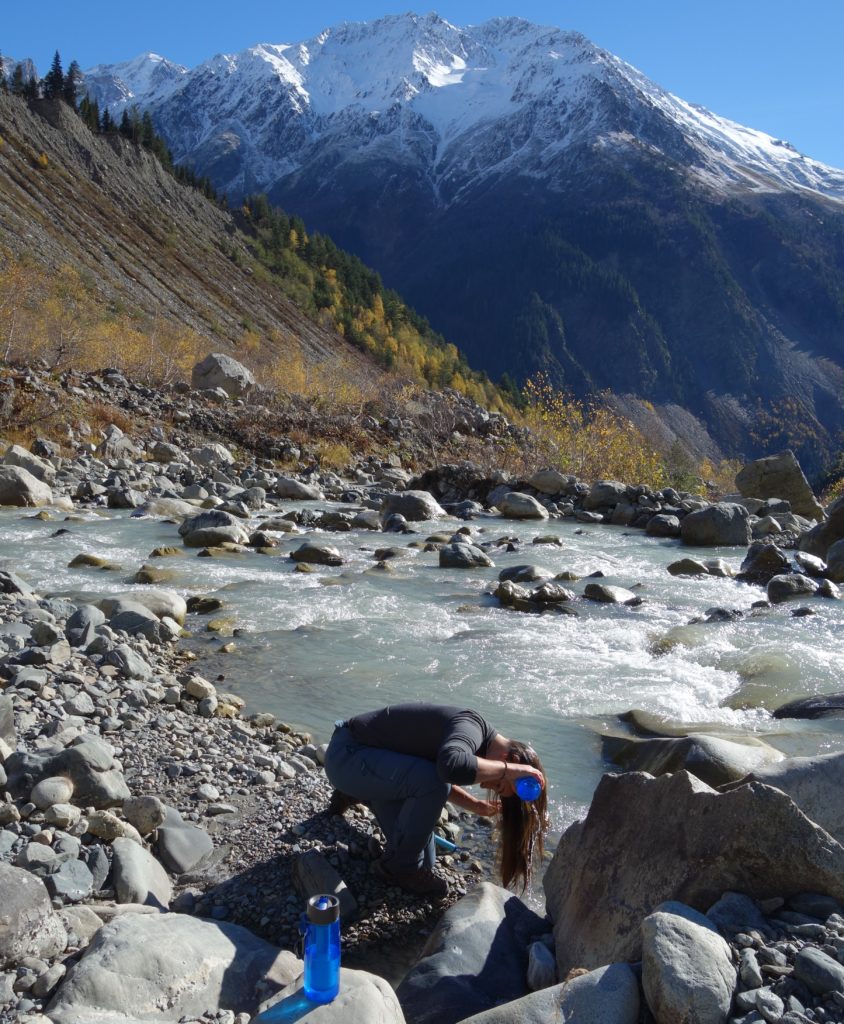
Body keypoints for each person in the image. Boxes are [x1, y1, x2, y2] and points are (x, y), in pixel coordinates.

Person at [323, 702, 548, 899]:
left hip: (365, 764)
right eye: (499, 783)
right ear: (511, 759)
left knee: (425, 861)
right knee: (410, 857)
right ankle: (398, 869)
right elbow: (447, 769)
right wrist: (509, 771)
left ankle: (357, 792)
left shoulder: (475, 741)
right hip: (347, 754)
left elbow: (434, 771)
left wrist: (475, 805)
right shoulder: (471, 726)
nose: (486, 786)